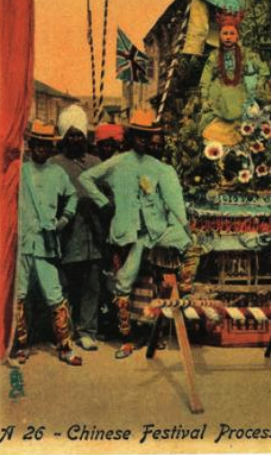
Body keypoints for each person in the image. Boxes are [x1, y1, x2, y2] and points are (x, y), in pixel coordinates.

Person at [79, 110, 191, 358]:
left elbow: (172, 201)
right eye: (138, 136)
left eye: (146, 137)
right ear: (130, 137)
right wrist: (103, 202)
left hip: (154, 233)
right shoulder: (118, 163)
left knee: (176, 258)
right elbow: (86, 177)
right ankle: (126, 338)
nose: (143, 141)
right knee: (123, 284)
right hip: (126, 235)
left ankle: (156, 326)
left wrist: (182, 225)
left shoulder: (158, 167)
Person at [13, 120, 82, 366]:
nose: (41, 149)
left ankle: (65, 346)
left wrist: (64, 219)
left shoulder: (57, 173)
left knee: (54, 295)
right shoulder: (20, 171)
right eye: (37, 144)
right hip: (23, 244)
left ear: (52, 148)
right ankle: (21, 346)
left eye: (46, 145)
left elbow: (72, 195)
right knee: (19, 296)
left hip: (46, 245)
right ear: (31, 146)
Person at [51, 105, 104, 352]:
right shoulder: (54, 164)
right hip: (66, 234)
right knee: (66, 284)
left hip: (92, 233)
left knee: (91, 284)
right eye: (70, 135)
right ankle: (66, 330)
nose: (75, 139)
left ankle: (87, 331)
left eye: (79, 135)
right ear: (64, 138)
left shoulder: (96, 163)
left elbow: (107, 194)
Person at [199, 13, 268, 146]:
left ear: (237, 36)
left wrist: (259, 86)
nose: (228, 37)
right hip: (219, 94)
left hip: (240, 92)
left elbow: (262, 70)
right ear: (219, 35)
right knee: (212, 127)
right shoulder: (214, 55)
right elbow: (206, 76)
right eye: (225, 33)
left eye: (232, 33)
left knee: (242, 126)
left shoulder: (247, 53)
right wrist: (204, 96)